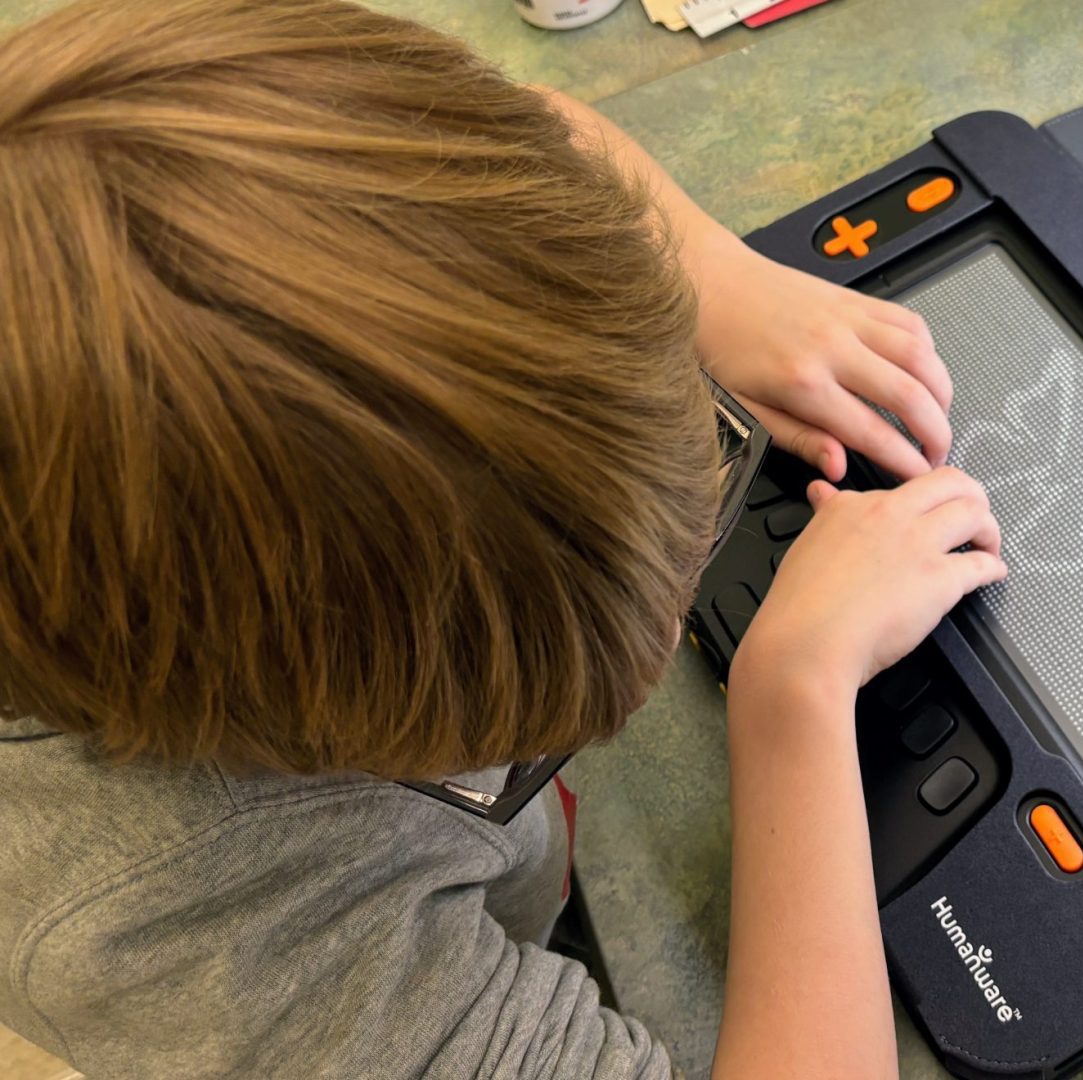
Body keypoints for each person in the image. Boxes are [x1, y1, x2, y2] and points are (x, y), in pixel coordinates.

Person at [0, 1, 1006, 1077]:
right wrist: (794, 690)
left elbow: (545, 132)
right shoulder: (218, 949)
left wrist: (711, 280)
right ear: (350, 732)